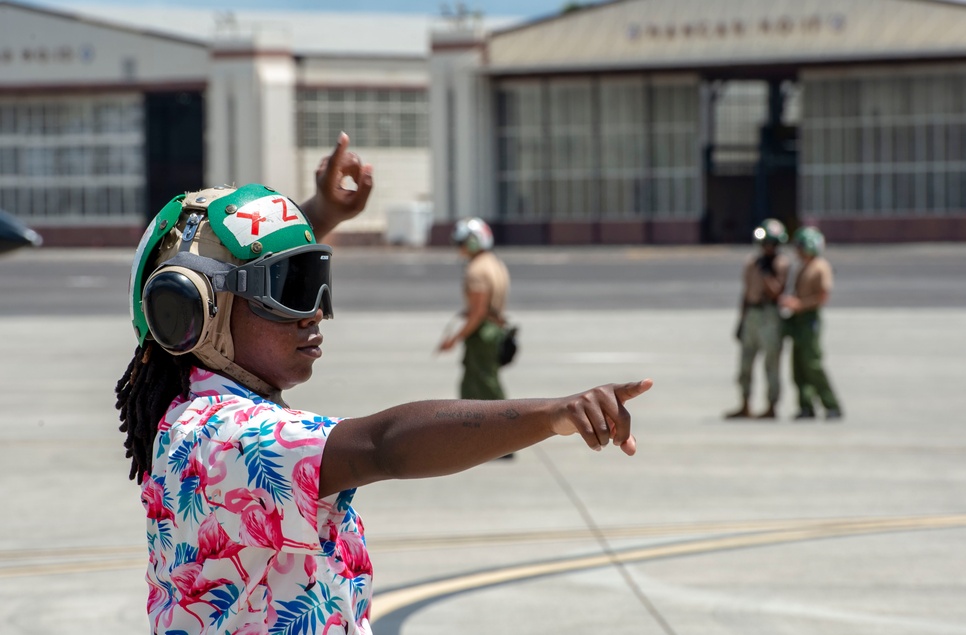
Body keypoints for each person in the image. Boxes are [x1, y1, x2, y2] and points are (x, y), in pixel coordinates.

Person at [115, 137, 652, 634]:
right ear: (194, 311)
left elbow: (239, 265)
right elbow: (384, 445)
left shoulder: (191, 408)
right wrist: (553, 415)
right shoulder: (223, 440)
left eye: (315, 283)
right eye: (289, 291)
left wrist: (322, 213)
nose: (316, 313)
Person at [436, 217, 511, 401]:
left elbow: (478, 313)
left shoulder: (476, 270)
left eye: (462, 243)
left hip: (483, 334)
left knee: (483, 384)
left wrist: (455, 338)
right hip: (495, 330)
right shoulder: (494, 263)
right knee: (479, 382)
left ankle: (506, 423)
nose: (459, 248)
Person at [725, 218, 791, 419]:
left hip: (769, 314)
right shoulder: (751, 262)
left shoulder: (781, 264)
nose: (768, 248)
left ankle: (772, 405)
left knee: (771, 362)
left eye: (772, 244)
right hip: (752, 314)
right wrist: (741, 320)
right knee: (745, 362)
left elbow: (776, 293)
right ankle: (745, 404)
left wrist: (766, 273)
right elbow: (746, 293)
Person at [779, 226, 843, 420]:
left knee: (813, 365)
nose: (797, 250)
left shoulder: (820, 267)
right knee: (798, 367)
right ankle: (806, 406)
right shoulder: (802, 267)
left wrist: (800, 304)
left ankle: (831, 405)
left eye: (800, 246)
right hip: (797, 319)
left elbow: (822, 296)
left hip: (809, 319)